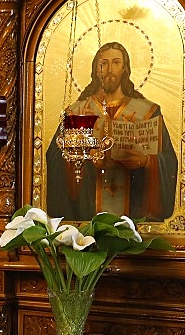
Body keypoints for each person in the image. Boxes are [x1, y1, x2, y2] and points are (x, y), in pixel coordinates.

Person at [47, 41, 177, 221]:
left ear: (124, 68)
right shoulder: (76, 111)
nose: (109, 69)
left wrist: (147, 162)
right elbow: (54, 158)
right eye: (103, 63)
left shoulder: (148, 112)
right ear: (95, 69)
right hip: (87, 213)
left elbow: (169, 160)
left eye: (116, 62)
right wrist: (86, 158)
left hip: (134, 213)